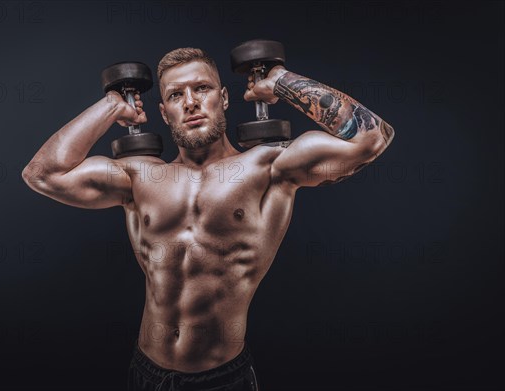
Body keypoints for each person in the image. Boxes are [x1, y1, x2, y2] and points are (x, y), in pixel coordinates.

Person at [22, 47, 395, 390]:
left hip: (222, 378)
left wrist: (279, 80)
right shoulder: (138, 178)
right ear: (164, 112)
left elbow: (372, 137)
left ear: (224, 98)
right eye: (175, 95)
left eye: (202, 88)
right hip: (147, 371)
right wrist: (112, 105)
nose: (190, 103)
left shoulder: (269, 168)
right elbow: (42, 174)